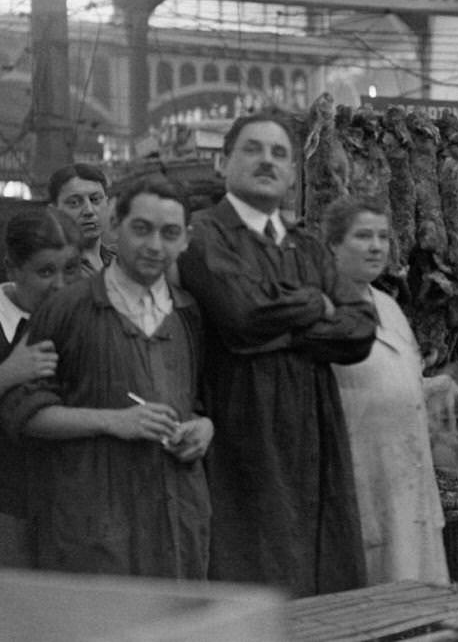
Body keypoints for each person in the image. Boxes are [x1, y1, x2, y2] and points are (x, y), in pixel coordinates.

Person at [177, 110, 377, 595]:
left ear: (292, 175)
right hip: (240, 426)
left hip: (314, 429)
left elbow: (359, 331)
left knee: (320, 571)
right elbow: (240, 316)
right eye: (253, 149)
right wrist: (314, 303)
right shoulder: (202, 234)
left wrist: (277, 325)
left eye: (279, 154)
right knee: (252, 571)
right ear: (223, 163)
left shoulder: (307, 244)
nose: (267, 161)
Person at [1, 176, 213, 578]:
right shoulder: (68, 309)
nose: (154, 246)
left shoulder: (188, 312)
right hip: (95, 527)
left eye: (169, 233)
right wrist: (114, 421)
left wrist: (203, 429)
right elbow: (22, 412)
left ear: (185, 240)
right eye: (141, 229)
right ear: (115, 226)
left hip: (177, 524)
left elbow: (200, 402)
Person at [324, 196, 450, 586]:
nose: (377, 246)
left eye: (382, 236)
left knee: (420, 598)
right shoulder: (321, 310)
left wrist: (430, 391)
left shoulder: (388, 306)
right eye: (363, 236)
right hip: (363, 485)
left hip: (410, 484)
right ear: (332, 245)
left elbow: (392, 379)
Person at [0, 208, 82, 566]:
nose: (60, 285)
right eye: (45, 272)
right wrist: (8, 373)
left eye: (70, 270)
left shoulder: (81, 323)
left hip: (61, 508)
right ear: (13, 269)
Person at [47, 163, 115, 277]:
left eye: (95, 200)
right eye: (74, 202)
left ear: (107, 203)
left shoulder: (121, 263)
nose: (89, 211)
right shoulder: (53, 270)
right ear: (53, 211)